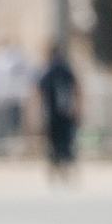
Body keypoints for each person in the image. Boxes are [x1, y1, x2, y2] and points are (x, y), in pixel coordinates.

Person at [39, 41, 80, 180]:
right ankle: (66, 170)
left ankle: (58, 170)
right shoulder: (65, 69)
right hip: (66, 112)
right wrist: (78, 107)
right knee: (66, 142)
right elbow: (77, 88)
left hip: (53, 114)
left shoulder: (49, 70)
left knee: (55, 143)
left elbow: (40, 92)